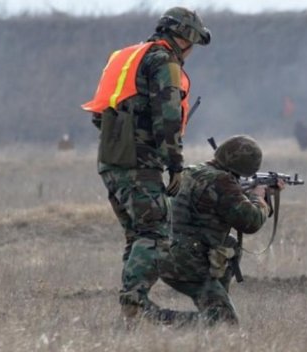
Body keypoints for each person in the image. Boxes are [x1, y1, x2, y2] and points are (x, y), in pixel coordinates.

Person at [80, 7, 211, 320]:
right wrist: (175, 164)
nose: (191, 52)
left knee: (138, 235)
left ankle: (134, 308)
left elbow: (102, 114)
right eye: (192, 44)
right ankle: (134, 303)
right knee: (154, 234)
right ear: (184, 38)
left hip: (111, 159)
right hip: (141, 162)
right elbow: (166, 118)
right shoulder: (164, 62)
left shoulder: (127, 57)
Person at [128, 135, 285, 326]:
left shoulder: (192, 171)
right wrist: (259, 197)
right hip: (189, 263)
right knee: (224, 323)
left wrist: (248, 194)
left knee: (229, 246)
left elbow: (213, 203)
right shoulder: (222, 182)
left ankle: (158, 318)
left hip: (164, 255)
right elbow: (250, 222)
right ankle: (152, 319)